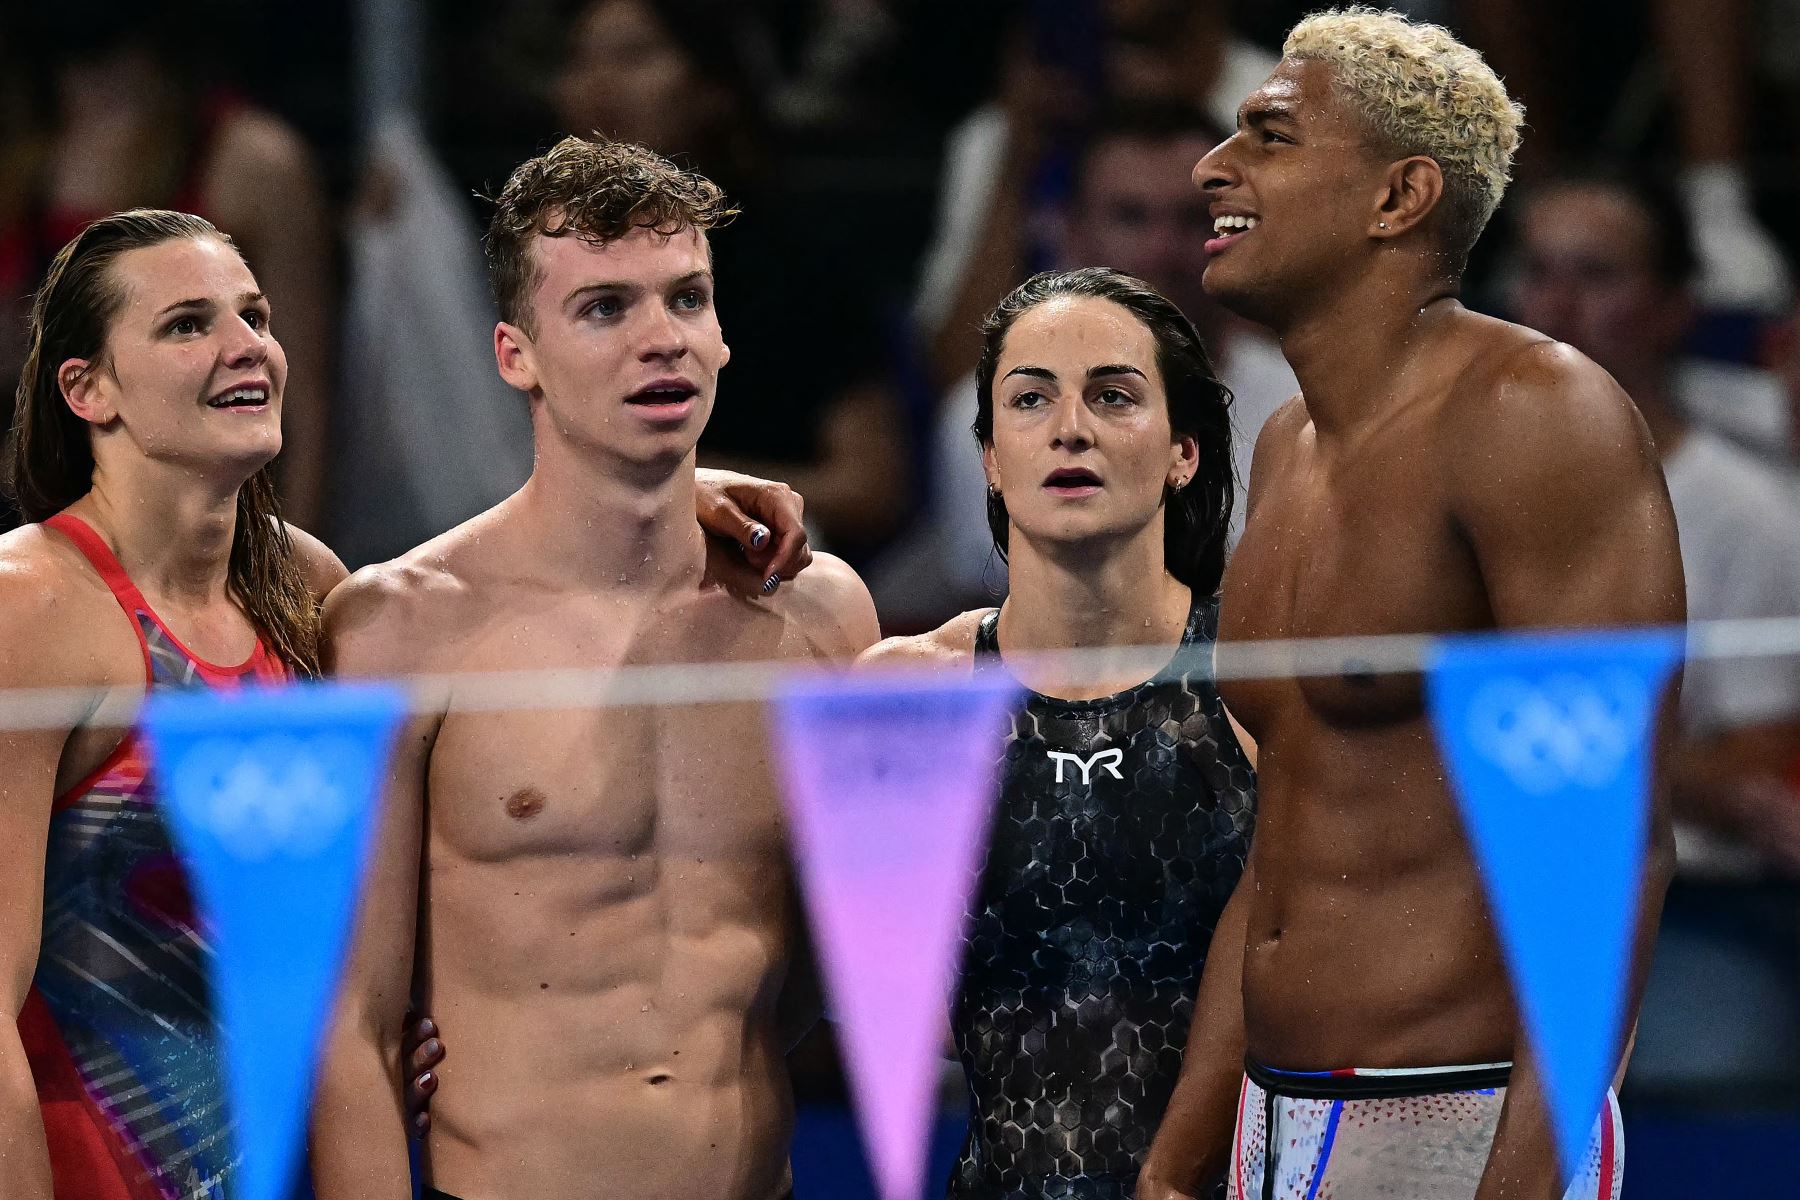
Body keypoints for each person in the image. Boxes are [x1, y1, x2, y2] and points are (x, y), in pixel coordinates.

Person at [1136, 10, 1684, 1198]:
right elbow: (1282, 851)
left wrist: (1529, 1177)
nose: (1211, 169)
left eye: (1269, 136)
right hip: (1270, 1122)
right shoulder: (1285, 446)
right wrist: (1179, 1160)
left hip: (1464, 1118)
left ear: (1400, 197)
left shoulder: (1535, 413)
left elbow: (1610, 847)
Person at [308, 136, 880, 1200]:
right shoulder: (399, 631)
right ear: (514, 353)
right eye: (606, 308)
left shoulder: (819, 615)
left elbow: (827, 974)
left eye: (688, 299)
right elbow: (353, 1029)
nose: (661, 340)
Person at [864, 266, 1256, 1198]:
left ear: (1182, 453)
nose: (1070, 427)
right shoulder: (910, 693)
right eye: (1030, 398)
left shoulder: (1260, 680)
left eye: (1113, 396)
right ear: (992, 458)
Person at [0, 208, 346, 1199]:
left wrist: (681, 497)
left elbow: (483, 597)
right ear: (88, 389)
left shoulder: (305, 592)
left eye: (255, 314)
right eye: (188, 325)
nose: (248, 348)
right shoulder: (28, 609)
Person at [1508, 168, 1800, 1093]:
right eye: (1538, 271)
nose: (1556, 305)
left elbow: (1759, 781)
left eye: (1598, 276)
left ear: (1675, 308)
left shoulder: (1744, 514)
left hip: (1675, 912)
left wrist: (1493, 720)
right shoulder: (1421, 489)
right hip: (1441, 897)